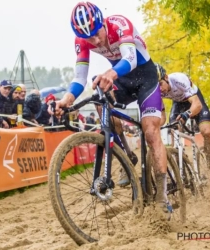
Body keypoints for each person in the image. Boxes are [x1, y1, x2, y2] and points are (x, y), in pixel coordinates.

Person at [50, 2, 170, 216]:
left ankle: (162, 196)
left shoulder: (119, 24)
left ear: (103, 23)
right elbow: (80, 78)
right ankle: (125, 155)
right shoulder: (82, 40)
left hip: (145, 77)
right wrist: (66, 100)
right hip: (122, 79)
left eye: (97, 34)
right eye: (89, 38)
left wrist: (110, 74)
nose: (95, 41)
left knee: (150, 132)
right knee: (98, 98)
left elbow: (131, 59)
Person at [156, 63, 210, 173]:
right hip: (178, 103)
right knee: (174, 128)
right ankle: (180, 159)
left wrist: (187, 114)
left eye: (160, 84)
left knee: (206, 131)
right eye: (156, 86)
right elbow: (162, 118)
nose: (160, 89)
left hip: (194, 100)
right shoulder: (157, 92)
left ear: (166, 77)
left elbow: (197, 105)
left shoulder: (179, 79)